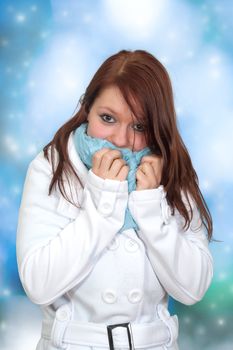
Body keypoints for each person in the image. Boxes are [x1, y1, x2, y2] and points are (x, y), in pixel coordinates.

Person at [16, 49, 214, 350]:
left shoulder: (171, 171)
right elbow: (38, 285)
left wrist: (150, 207)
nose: (120, 140)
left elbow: (192, 289)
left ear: (159, 126)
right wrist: (103, 200)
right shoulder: (52, 167)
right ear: (87, 108)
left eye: (139, 126)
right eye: (107, 118)